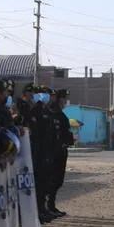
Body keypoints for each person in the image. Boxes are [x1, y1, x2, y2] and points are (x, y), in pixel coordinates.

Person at [28, 86, 57, 223]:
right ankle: (38, 211)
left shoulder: (46, 111)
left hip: (47, 151)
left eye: (48, 94)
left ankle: (43, 209)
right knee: (39, 184)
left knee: (45, 183)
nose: (47, 97)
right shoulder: (36, 111)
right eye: (44, 94)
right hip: (38, 153)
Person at [47, 89, 74, 217]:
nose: (65, 102)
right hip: (51, 152)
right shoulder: (50, 115)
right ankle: (48, 207)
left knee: (58, 181)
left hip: (61, 152)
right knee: (51, 180)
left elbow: (66, 134)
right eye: (63, 99)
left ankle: (51, 206)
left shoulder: (62, 116)